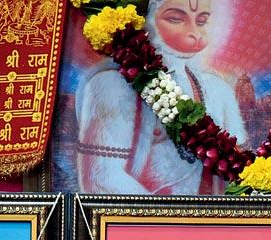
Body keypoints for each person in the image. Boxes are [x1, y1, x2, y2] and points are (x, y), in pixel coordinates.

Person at [75, 0, 247, 194]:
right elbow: (100, 178)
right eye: (175, 19)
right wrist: (168, 220)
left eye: (201, 21)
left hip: (208, 221)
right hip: (140, 221)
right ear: (145, 19)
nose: (195, 34)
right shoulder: (112, 84)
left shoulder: (218, 89)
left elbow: (233, 175)